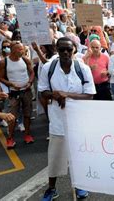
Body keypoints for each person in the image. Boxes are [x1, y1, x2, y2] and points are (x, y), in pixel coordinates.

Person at [38, 37, 96, 200]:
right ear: (56, 49)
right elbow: (42, 91)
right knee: (55, 157)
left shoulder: (82, 68)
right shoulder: (48, 67)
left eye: (68, 50)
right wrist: (55, 95)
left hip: (78, 121)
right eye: (61, 49)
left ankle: (80, 186)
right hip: (57, 121)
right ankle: (51, 189)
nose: (65, 52)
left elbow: (90, 95)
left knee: (79, 155)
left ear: (74, 51)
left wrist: (66, 95)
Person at [0, 41, 35, 149]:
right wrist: (11, 84)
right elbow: (0, 77)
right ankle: (10, 138)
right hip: (14, 93)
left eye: (22, 49)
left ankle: (27, 135)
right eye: (20, 49)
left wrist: (30, 82)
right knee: (12, 117)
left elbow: (32, 73)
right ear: (13, 50)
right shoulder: (4, 62)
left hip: (26, 91)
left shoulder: (25, 59)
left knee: (27, 114)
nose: (22, 51)